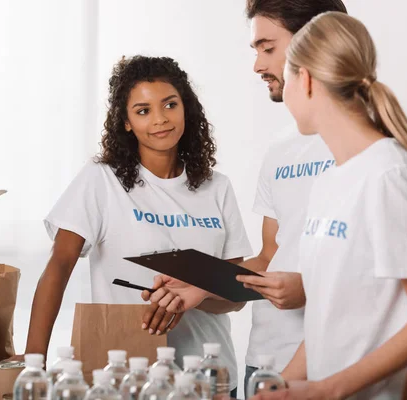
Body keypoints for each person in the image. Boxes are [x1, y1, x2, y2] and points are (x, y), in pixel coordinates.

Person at [143, 2, 349, 397]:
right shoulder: (282, 148)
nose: (257, 65)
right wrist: (200, 285)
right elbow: (269, 259)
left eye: (267, 48)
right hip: (264, 359)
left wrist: (312, 288)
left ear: (316, 41)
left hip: (332, 361)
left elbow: (379, 275)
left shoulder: (368, 147)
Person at [20, 55, 252, 398]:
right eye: (143, 110)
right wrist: (33, 362)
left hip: (210, 378)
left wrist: (190, 294)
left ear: (185, 108)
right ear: (126, 122)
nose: (159, 119)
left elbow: (236, 296)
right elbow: (59, 265)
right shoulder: (101, 180)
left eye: (169, 105)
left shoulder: (217, 187)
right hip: (126, 379)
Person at [252, 11, 407, 399]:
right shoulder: (330, 181)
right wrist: (279, 386)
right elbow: (330, 315)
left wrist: (327, 390)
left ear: (305, 80)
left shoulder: (388, 174)